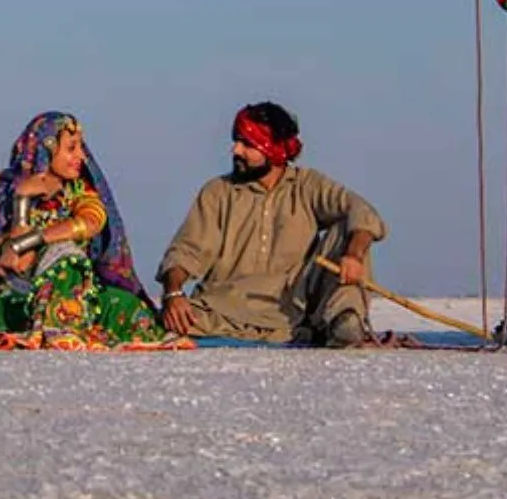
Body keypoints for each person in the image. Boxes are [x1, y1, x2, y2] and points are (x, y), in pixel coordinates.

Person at [0, 111, 193, 351]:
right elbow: (12, 264)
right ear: (48, 150)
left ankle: (68, 324)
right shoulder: (4, 191)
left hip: (83, 295)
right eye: (71, 148)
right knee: (64, 261)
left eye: (81, 148)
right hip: (24, 295)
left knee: (129, 308)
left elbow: (92, 222)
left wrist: (31, 241)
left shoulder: (80, 191)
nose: (81, 157)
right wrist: (22, 200)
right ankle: (55, 327)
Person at [156, 101, 387, 348]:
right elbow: (186, 251)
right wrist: (173, 293)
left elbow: (362, 211)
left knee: (350, 229)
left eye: (247, 144)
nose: (236, 150)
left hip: (292, 315)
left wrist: (353, 254)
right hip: (219, 313)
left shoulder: (307, 186)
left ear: (273, 150)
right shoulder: (218, 192)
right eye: (236, 141)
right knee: (150, 324)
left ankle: (345, 323)